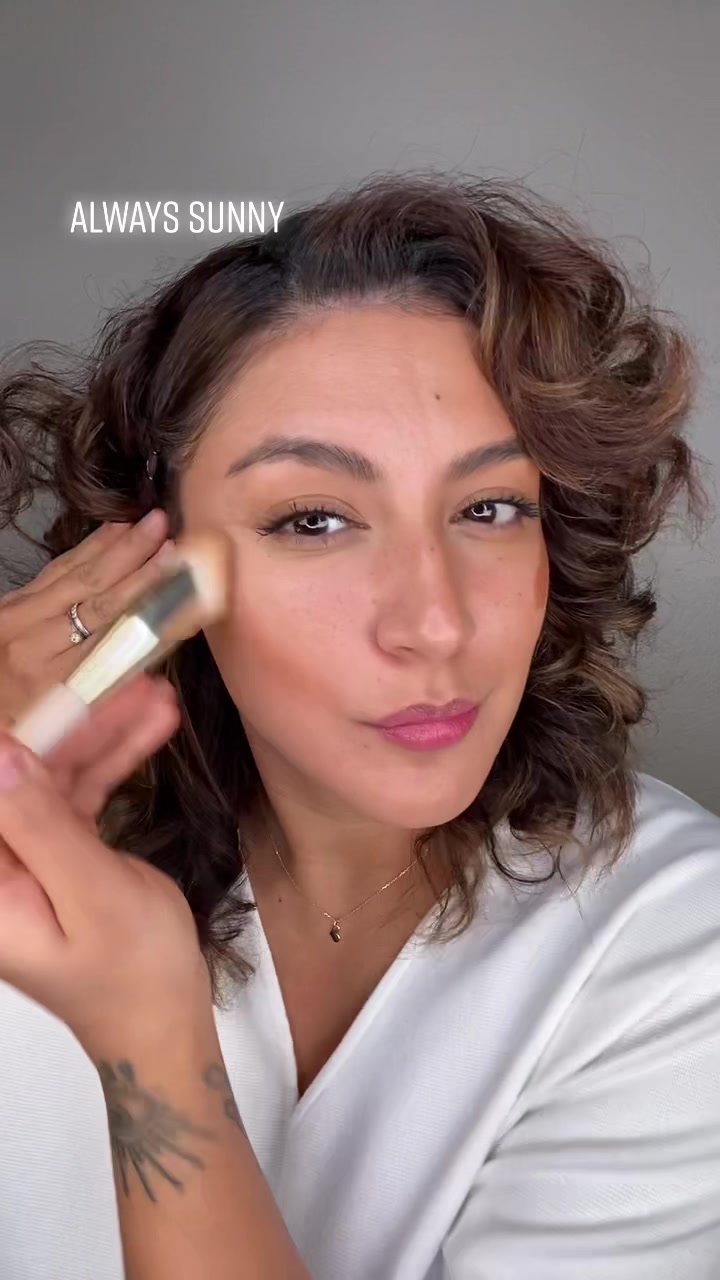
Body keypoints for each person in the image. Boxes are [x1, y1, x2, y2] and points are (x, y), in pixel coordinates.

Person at [0, 171, 718, 1280]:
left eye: (489, 507)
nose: (436, 622)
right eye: (315, 519)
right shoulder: (35, 837)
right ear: (157, 566)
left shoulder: (675, 945)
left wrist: (150, 1037)